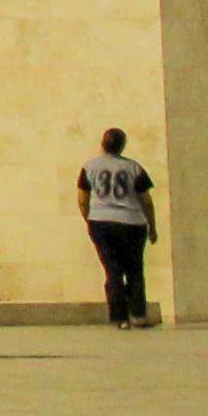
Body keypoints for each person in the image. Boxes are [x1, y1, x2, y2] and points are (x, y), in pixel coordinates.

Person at [80, 126, 160, 329]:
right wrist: (152, 227)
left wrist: (89, 219)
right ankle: (138, 315)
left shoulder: (90, 167)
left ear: (102, 144)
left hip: (101, 223)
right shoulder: (134, 168)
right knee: (134, 269)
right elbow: (146, 201)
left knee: (112, 270)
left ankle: (120, 318)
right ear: (122, 146)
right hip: (132, 223)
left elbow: (82, 198)